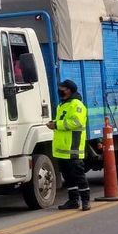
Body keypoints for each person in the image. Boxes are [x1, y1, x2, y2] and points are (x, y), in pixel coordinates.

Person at [47, 80, 90, 211]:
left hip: (73, 148)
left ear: (69, 90)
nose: (60, 90)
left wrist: (56, 125)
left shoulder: (77, 105)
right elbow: (63, 121)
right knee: (68, 177)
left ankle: (85, 201)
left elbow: (76, 122)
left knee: (79, 175)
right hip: (62, 150)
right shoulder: (62, 105)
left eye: (62, 88)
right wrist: (54, 123)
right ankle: (73, 200)